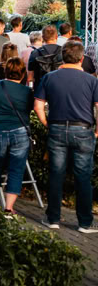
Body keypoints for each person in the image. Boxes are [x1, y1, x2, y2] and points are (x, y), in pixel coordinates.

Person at [33, 41, 98, 233]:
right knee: (83, 176)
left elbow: (38, 106)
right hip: (83, 129)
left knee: (56, 173)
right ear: (81, 58)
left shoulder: (49, 77)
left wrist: (47, 123)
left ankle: (53, 218)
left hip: (57, 128)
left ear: (62, 57)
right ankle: (85, 222)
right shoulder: (92, 80)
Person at [0, 56, 35, 215]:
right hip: (19, 131)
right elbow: (29, 109)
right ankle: (8, 208)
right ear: (23, 74)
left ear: (6, 71)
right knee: (16, 169)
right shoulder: (28, 92)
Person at [28, 24, 62, 89]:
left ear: (42, 38)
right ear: (56, 36)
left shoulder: (35, 53)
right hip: (59, 89)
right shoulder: (64, 52)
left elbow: (30, 78)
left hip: (40, 89)